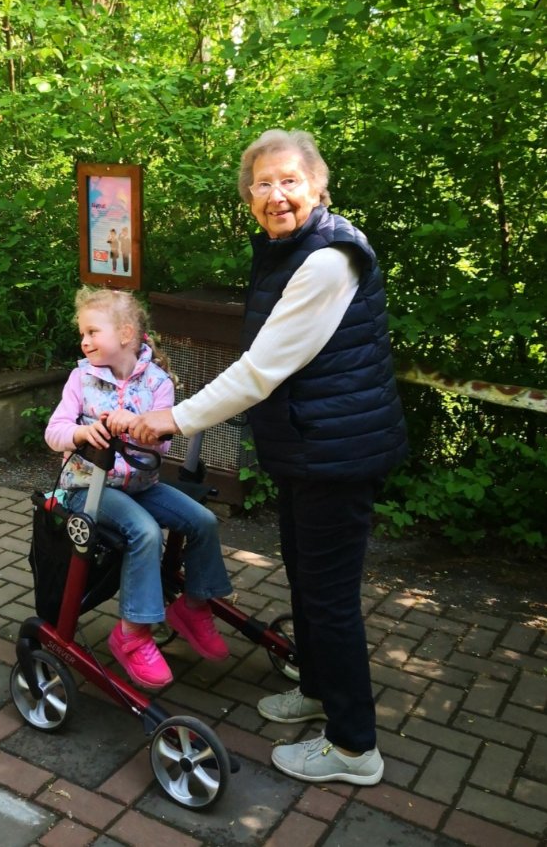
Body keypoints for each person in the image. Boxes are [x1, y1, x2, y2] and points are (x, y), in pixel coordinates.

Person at [122, 129, 408, 784]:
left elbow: (262, 369)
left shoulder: (329, 260)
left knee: (328, 598)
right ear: (248, 196)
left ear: (319, 186)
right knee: (306, 580)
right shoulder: (292, 249)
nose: (276, 195)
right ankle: (318, 688)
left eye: (289, 181)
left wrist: (172, 418)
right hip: (309, 447)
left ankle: (353, 748)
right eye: (262, 184)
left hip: (336, 453)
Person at [45, 285, 232, 690]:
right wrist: (82, 433)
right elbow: (54, 432)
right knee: (144, 531)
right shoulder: (82, 379)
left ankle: (194, 607)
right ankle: (132, 634)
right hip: (88, 489)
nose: (84, 341)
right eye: (83, 333)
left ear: (126, 334)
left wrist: (134, 425)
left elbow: (163, 444)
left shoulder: (158, 382)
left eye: (93, 332)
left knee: (202, 520)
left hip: (141, 485)